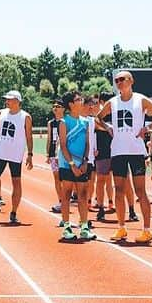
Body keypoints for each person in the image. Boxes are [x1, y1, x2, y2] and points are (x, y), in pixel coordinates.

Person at [95, 71, 152, 244]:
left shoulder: (141, 99)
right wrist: (107, 127)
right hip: (118, 151)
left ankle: (147, 230)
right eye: (117, 80)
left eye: (123, 79)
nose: (119, 82)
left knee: (140, 191)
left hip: (136, 151)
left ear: (131, 81)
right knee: (119, 190)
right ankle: (121, 227)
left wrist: (147, 127)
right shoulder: (112, 102)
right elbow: (98, 118)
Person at [0, 90, 32, 225]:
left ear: (17, 101)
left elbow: (29, 136)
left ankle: (14, 212)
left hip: (15, 154)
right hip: (0, 153)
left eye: (9, 99)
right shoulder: (1, 113)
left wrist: (30, 154)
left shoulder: (25, 117)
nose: (7, 101)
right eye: (6, 99)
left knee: (16, 182)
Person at [58, 92, 95, 241]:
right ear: (71, 104)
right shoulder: (63, 122)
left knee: (83, 195)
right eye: (78, 100)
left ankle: (84, 227)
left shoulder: (85, 122)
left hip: (82, 163)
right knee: (66, 195)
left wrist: (85, 161)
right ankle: (66, 227)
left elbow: (87, 143)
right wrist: (72, 164)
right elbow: (63, 145)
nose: (81, 102)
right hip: (67, 164)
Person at [91, 92, 115, 222]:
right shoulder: (99, 115)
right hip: (103, 151)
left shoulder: (116, 112)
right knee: (101, 180)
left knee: (117, 181)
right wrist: (108, 128)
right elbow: (96, 123)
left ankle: (115, 203)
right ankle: (100, 207)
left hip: (117, 151)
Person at [47, 99, 66, 219]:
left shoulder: (66, 122)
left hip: (64, 154)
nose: (55, 108)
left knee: (65, 179)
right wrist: (48, 154)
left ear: (63, 108)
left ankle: (66, 200)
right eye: (54, 106)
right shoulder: (51, 123)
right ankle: (60, 201)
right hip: (54, 153)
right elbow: (49, 139)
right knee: (56, 177)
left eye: (58, 106)